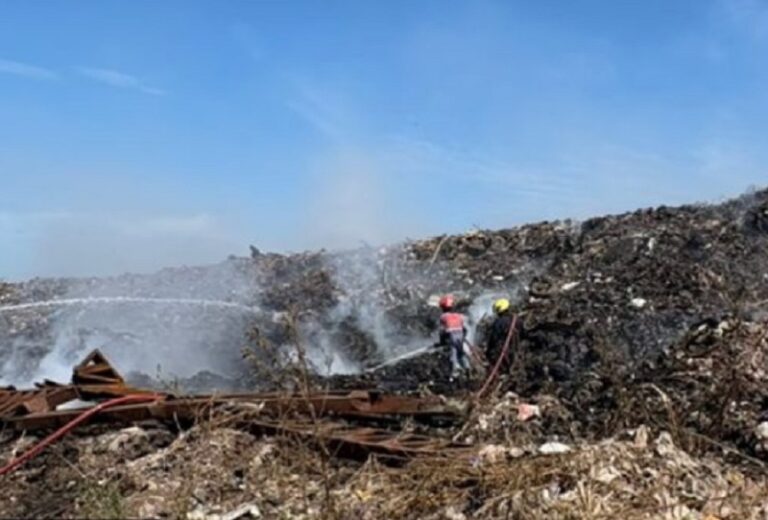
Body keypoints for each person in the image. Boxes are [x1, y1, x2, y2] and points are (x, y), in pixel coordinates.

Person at [437, 294, 471, 376]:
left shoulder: (443, 317)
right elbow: (465, 329)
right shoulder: (459, 316)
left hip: (452, 337)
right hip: (460, 336)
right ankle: (467, 366)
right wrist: (463, 337)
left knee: (454, 353)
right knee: (461, 352)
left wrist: (442, 342)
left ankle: (455, 371)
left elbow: (442, 331)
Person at [485, 298, 517, 373]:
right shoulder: (517, 320)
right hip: (515, 348)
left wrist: (488, 351)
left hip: (503, 351)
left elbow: (493, 339)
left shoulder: (498, 323)